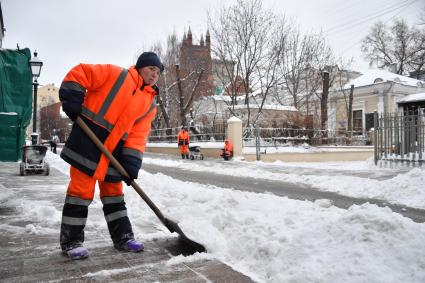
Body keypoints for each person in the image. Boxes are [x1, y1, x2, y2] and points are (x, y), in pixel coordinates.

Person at [58, 52, 163, 260]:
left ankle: (123, 237)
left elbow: (138, 136)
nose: (155, 75)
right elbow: (81, 72)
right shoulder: (116, 74)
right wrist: (72, 98)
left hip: (114, 152)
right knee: (80, 191)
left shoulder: (149, 104)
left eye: (158, 72)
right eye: (152, 68)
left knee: (114, 194)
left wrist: (132, 162)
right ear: (141, 66)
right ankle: (71, 241)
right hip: (88, 141)